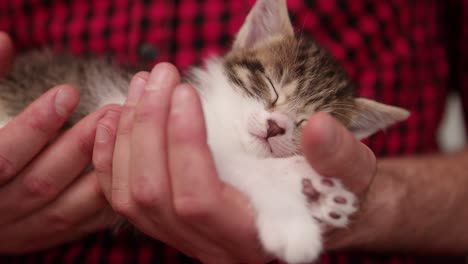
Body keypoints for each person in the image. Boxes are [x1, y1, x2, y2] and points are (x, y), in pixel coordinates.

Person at [0, 0, 467, 263]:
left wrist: (376, 202)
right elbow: (214, 154)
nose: (275, 120)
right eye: (266, 87)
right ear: (250, 40)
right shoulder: (211, 97)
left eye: (299, 123)